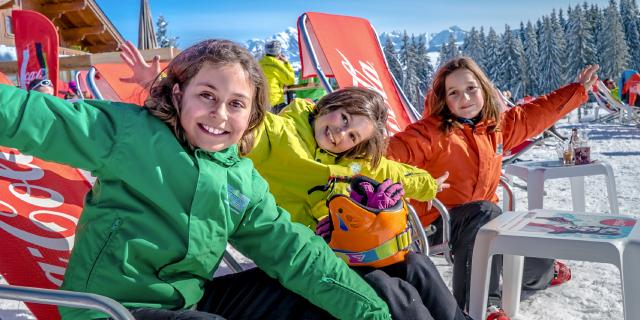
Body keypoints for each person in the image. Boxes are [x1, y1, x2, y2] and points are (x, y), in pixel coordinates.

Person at [0, 39, 392, 320]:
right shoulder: (131, 135)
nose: (220, 114)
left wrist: (373, 313)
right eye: (207, 95)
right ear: (178, 94)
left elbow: (294, 253)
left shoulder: (241, 179)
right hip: (113, 308)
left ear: (252, 115)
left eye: (236, 104)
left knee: (310, 300)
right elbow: (33, 118)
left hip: (185, 302)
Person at [119, 44, 469, 320]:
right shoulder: (277, 134)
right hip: (300, 258)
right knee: (385, 287)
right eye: (343, 117)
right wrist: (162, 85)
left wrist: (427, 184)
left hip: (338, 251)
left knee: (414, 265)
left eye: (352, 135)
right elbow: (226, 117)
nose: (340, 132)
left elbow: (391, 171)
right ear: (329, 104)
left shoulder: (349, 162)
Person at [387, 57, 599, 317]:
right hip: (437, 223)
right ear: (443, 99)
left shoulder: (495, 128)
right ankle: (481, 305)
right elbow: (389, 153)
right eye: (454, 93)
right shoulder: (429, 133)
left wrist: (576, 91)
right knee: (486, 213)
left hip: (486, 222)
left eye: (471, 88)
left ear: (483, 89)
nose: (465, 98)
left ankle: (545, 270)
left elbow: (534, 114)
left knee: (537, 263)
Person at [259, 40, 295, 113]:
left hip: (261, 103)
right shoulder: (276, 65)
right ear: (279, 53)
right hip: (275, 103)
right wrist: (286, 63)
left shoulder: (260, 63)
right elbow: (290, 80)